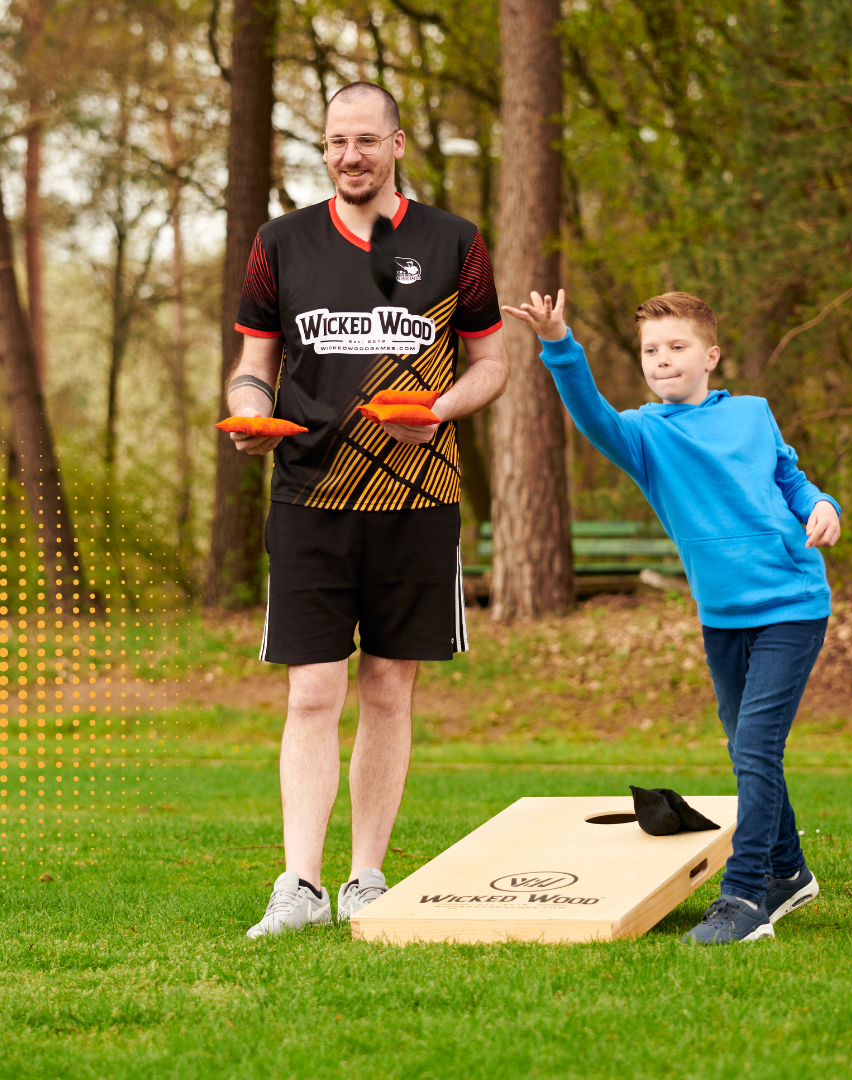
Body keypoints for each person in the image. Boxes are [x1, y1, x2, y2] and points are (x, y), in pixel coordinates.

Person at [227, 82, 508, 938]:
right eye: (334, 142)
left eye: (364, 140)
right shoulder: (280, 242)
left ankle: (366, 880)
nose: (349, 155)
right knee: (313, 693)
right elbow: (252, 362)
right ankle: (300, 887)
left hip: (417, 498)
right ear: (324, 149)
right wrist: (247, 411)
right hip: (307, 495)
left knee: (388, 689)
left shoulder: (454, 241)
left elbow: (491, 362)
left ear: (396, 143)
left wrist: (443, 413)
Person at [502, 289, 841, 945]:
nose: (662, 360)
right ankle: (789, 872)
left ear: (710, 355)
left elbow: (790, 479)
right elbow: (591, 414)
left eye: (676, 347)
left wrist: (820, 503)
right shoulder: (646, 436)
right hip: (722, 616)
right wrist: (557, 343)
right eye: (651, 351)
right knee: (747, 746)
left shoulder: (752, 414)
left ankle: (745, 900)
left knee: (756, 748)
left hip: (793, 603)